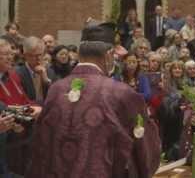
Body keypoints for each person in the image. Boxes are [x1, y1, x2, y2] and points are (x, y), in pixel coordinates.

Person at [26, 24, 161, 178]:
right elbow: (144, 149)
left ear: (79, 53)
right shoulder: (123, 94)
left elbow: (41, 144)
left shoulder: (56, 89)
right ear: (109, 55)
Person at [0, 38, 41, 177]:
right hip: (7, 134)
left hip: (20, 132)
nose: (10, 58)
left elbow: (24, 100)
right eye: (5, 54)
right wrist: (28, 112)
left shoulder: (12, 75)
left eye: (11, 54)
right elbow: (4, 108)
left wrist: (35, 108)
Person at [15, 36, 52, 104]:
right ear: (25, 55)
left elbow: (56, 95)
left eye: (40, 55)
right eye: (34, 55)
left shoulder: (50, 71)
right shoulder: (17, 74)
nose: (38, 58)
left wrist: (46, 80)